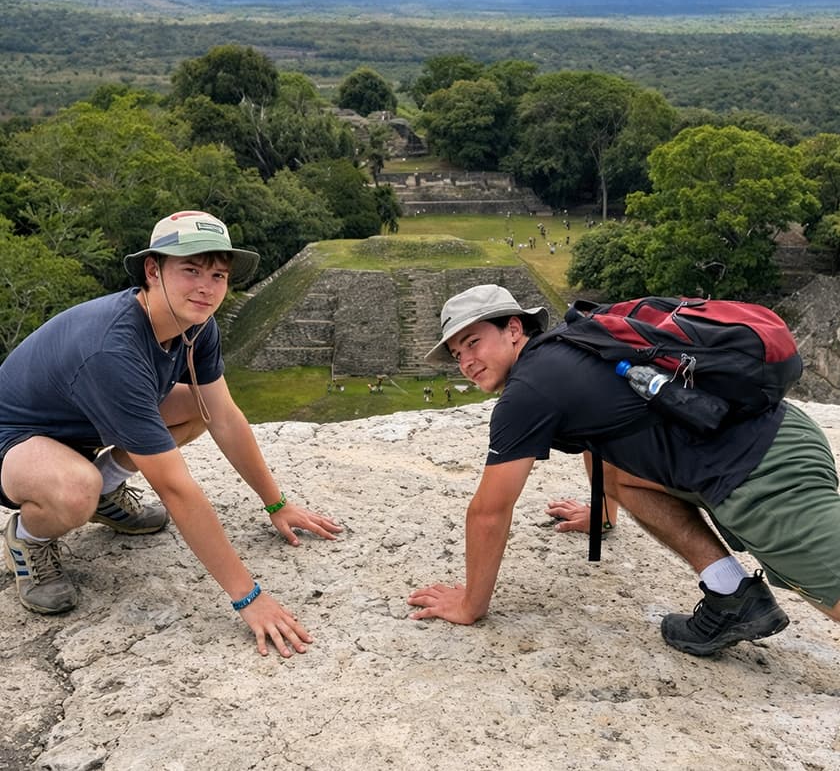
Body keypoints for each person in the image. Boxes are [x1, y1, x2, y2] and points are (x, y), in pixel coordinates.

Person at [408, 284, 840, 656]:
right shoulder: (570, 345)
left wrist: (470, 605)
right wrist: (602, 514)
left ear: (514, 329)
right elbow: (601, 438)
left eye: (473, 341)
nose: (466, 360)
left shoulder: (528, 392)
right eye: (456, 352)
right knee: (625, 481)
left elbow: (489, 511)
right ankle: (732, 595)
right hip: (764, 440)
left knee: (832, 594)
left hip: (764, 469)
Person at [0, 210, 342, 658]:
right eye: (191, 270)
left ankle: (106, 488)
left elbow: (224, 416)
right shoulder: (113, 349)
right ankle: (30, 536)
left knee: (199, 405)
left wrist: (276, 502)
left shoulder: (198, 325)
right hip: (18, 439)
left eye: (218, 274)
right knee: (74, 492)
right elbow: (177, 489)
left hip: (83, 426)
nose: (206, 287)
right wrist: (249, 598)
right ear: (152, 269)